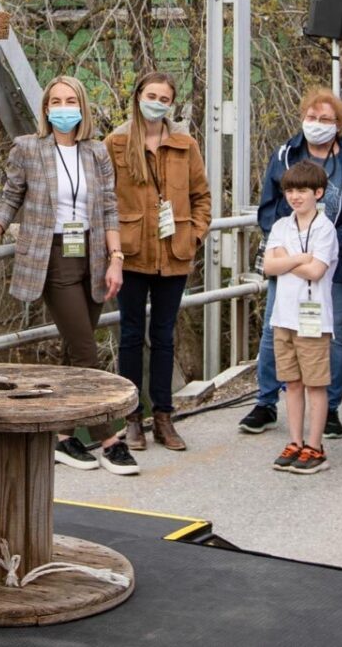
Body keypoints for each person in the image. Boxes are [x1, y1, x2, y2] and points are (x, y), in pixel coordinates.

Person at [0, 76, 136, 476]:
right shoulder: (29, 148)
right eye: (56, 101)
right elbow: (11, 197)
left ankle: (64, 436)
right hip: (53, 256)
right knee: (84, 349)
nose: (63, 107)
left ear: (82, 107)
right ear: (46, 108)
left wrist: (116, 257)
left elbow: (110, 208)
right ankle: (110, 439)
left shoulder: (96, 153)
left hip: (94, 255)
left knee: (70, 352)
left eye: (71, 100)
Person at [238, 88, 342, 440]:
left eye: (325, 119)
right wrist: (287, 246)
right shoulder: (285, 154)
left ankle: (329, 408)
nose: (316, 125)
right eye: (312, 117)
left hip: (339, 261)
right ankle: (266, 402)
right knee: (276, 332)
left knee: (331, 336)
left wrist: (330, 245)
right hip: (289, 261)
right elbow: (269, 206)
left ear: (339, 125)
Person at [106, 71, 211, 453]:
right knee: (132, 335)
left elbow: (202, 196)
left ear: (172, 104)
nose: (157, 103)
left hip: (174, 254)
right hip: (132, 254)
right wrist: (113, 251)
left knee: (165, 336)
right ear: (137, 96)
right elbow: (105, 202)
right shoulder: (116, 143)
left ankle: (164, 417)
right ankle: (133, 417)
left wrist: (194, 235)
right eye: (151, 95)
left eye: (164, 99)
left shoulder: (185, 145)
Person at [262, 161, 342, 475]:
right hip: (284, 317)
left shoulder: (325, 228)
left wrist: (285, 260)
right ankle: (294, 441)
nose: (296, 197)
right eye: (291, 191)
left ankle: (315, 445)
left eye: (303, 191)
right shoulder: (281, 225)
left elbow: (316, 270)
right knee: (292, 383)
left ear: (318, 193)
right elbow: (268, 266)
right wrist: (296, 258)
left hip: (313, 318)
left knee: (315, 384)